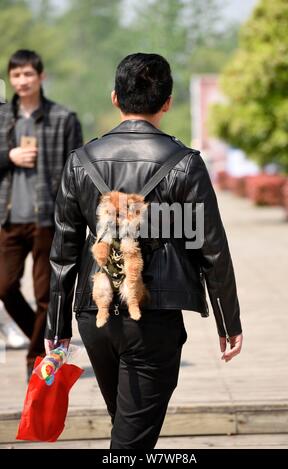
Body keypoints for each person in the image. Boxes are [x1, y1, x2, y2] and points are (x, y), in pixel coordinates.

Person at [44, 53, 243, 449]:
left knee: (129, 430)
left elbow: (64, 250)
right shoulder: (185, 163)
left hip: (93, 316)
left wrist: (57, 327)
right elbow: (211, 248)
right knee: (132, 442)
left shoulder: (80, 162)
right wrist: (227, 321)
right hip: (154, 316)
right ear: (167, 102)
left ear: (115, 98)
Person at [0, 49, 83, 379]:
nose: (22, 81)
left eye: (28, 74)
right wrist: (10, 156)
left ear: (41, 76)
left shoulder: (63, 118)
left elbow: (76, 172)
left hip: (48, 219)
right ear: (10, 79)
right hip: (8, 218)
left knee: (46, 295)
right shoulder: (3, 117)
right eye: (16, 75)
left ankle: (37, 356)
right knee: (4, 286)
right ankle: (41, 339)